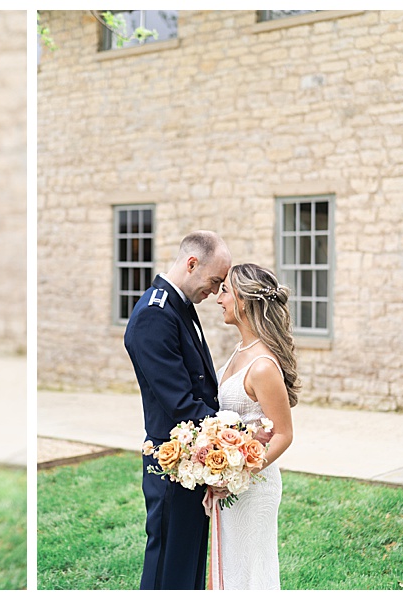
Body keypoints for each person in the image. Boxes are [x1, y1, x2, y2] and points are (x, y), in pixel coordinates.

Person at [124, 230, 231, 590]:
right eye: (215, 281)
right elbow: (180, 403)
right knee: (167, 568)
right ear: (191, 264)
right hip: (171, 462)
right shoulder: (156, 314)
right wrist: (233, 435)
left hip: (191, 456)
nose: (216, 292)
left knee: (187, 564)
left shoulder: (178, 305)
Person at [211, 263, 297, 589]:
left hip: (254, 486)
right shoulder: (239, 350)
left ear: (244, 300)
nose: (218, 299)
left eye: (225, 291)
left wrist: (240, 471)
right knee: (233, 569)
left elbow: (284, 434)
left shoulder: (262, 365)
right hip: (231, 484)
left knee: (253, 573)